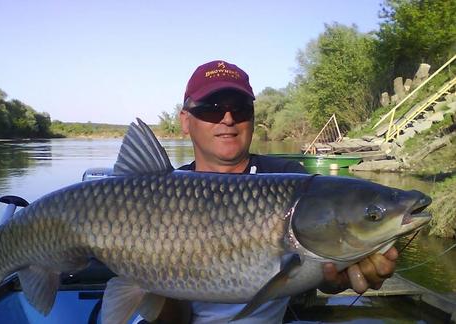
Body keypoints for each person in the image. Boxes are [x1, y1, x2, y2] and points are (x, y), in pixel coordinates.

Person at [139, 60, 398, 323]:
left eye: (240, 109)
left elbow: (314, 265)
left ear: (252, 118)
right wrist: (153, 272)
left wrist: (336, 277)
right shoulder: (158, 192)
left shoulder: (291, 179)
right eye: (211, 109)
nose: (227, 119)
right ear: (185, 120)